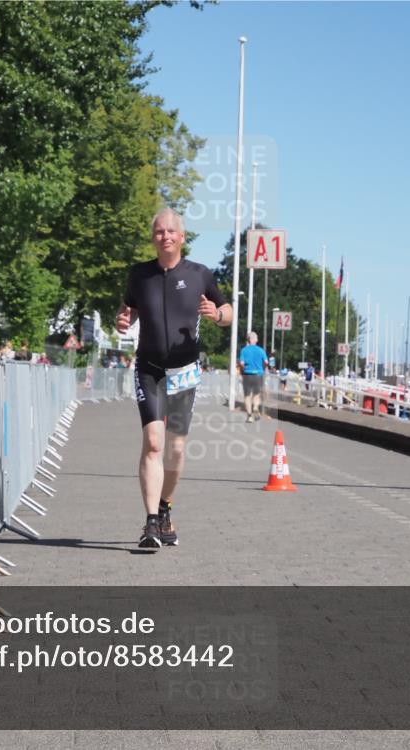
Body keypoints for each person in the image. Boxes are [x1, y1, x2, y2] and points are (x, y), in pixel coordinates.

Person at [116, 208, 232, 550]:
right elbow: (128, 311)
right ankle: (151, 522)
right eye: (158, 232)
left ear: (182, 237)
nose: (164, 236)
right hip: (149, 368)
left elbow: (228, 313)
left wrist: (217, 314)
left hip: (184, 372)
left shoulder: (200, 274)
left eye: (170, 232)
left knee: (176, 450)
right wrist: (122, 321)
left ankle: (165, 507)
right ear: (153, 237)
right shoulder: (140, 275)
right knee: (154, 442)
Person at [239, 331, 269, 422]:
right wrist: (262, 369)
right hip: (258, 374)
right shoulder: (261, 350)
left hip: (247, 374)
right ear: (256, 340)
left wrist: (244, 369)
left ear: (248, 340)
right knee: (257, 394)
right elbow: (266, 362)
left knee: (247, 395)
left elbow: (241, 363)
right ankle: (255, 407)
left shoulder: (244, 350)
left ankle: (249, 416)